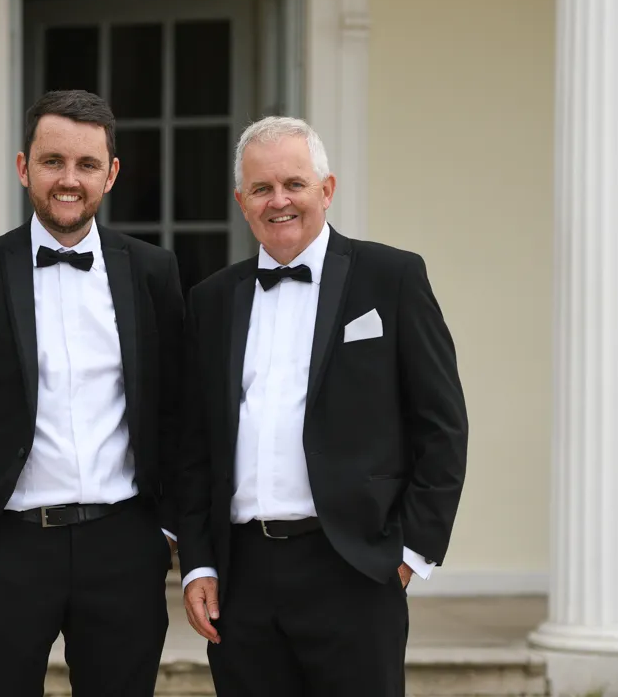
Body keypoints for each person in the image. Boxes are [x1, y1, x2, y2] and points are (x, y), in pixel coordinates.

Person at [0, 89, 184, 697]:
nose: (68, 180)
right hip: (3, 548)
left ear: (110, 174)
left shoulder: (153, 272)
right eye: (53, 161)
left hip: (124, 548)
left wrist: (167, 532)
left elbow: (177, 412)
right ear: (23, 166)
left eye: (86, 165)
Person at [176, 116, 468, 696]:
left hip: (354, 568)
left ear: (326, 190)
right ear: (242, 201)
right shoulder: (210, 301)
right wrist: (199, 563)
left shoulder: (392, 277)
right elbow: (192, 445)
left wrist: (408, 554)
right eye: (261, 188)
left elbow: (442, 425)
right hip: (243, 578)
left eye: (294, 184)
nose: (278, 200)